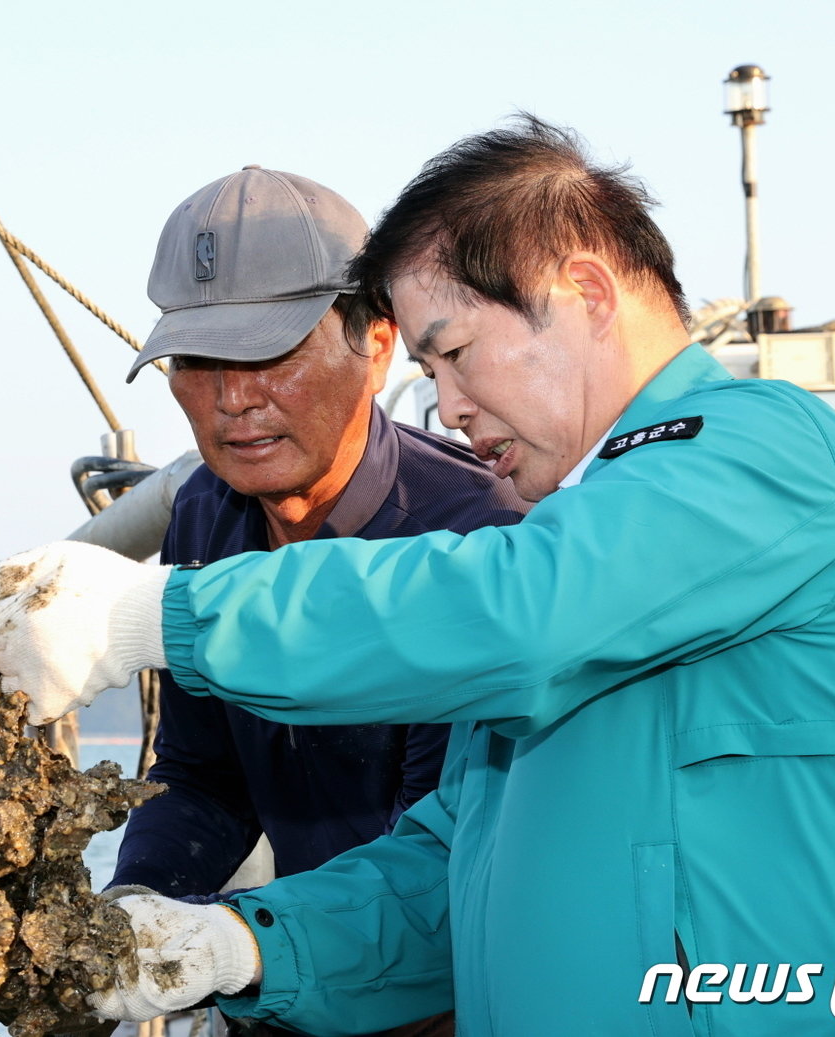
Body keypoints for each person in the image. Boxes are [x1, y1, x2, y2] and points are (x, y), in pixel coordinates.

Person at [0, 117, 835, 1035]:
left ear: (586, 294)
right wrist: (234, 946)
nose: (448, 406)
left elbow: (519, 612)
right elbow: (449, 871)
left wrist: (157, 616)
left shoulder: (763, 449)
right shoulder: (574, 537)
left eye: (457, 353)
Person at [108, 165, 527, 1036]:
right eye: (197, 361)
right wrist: (137, 903)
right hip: (280, 983)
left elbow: (439, 865)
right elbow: (205, 777)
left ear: (376, 341)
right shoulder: (203, 513)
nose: (233, 398)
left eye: (267, 354)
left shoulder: (480, 533)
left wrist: (228, 947)